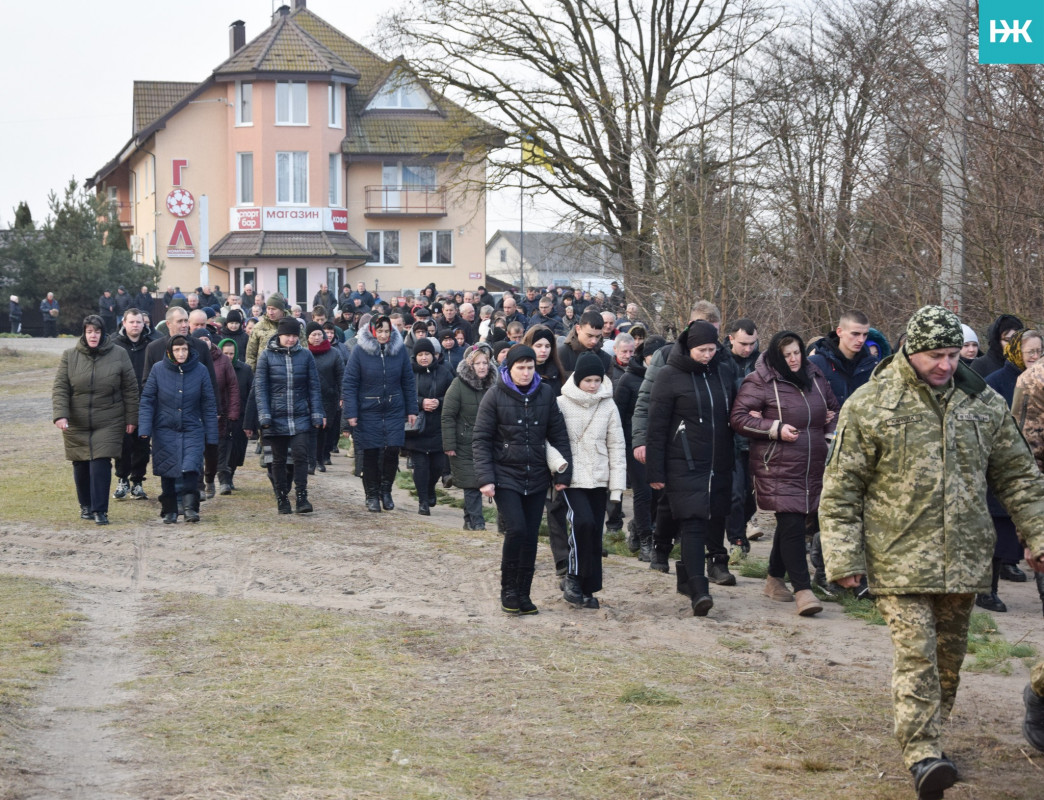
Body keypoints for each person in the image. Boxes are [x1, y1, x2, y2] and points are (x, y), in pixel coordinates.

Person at [819, 305, 1044, 800]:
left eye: (951, 354)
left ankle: (931, 735)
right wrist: (844, 560)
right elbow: (840, 491)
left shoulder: (982, 403)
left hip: (964, 559)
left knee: (947, 662)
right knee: (916, 657)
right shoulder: (872, 403)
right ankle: (922, 755)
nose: (945, 365)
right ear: (910, 350)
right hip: (897, 559)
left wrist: (1039, 535)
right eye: (934, 356)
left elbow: (1019, 477)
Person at [730, 330, 839, 616]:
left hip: (813, 463)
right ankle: (803, 590)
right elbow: (738, 418)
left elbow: (834, 409)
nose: (793, 359)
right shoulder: (760, 381)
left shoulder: (815, 376)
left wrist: (829, 433)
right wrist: (774, 428)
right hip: (777, 463)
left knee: (795, 521)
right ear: (778, 356)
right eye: (787, 354)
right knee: (791, 523)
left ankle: (774, 577)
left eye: (797, 352)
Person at [473, 345, 573, 615]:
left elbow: (558, 434)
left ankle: (523, 593)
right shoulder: (494, 396)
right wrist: (485, 478)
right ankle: (508, 590)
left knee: (530, 535)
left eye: (530, 367)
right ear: (510, 368)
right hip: (505, 475)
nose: (527, 372)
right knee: (516, 529)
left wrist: (564, 472)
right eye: (521, 367)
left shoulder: (546, 394)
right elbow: (481, 439)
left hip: (538, 474)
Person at [645, 321, 736, 616]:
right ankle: (700, 589)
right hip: (682, 462)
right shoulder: (669, 376)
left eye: (712, 349)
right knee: (694, 523)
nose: (708, 355)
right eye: (701, 350)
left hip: (717, 462)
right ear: (689, 348)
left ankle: (686, 577)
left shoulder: (723, 372)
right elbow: (656, 427)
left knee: (712, 519)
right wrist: (655, 472)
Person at [978, 329, 1044, 611]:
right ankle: (987, 590)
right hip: (1009, 463)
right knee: (1000, 532)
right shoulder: (999, 381)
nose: (1034, 356)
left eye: (1038, 351)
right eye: (1029, 351)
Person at [52, 315, 139, 525]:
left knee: (100, 462)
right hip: (77, 421)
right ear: (84, 333)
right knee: (81, 464)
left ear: (103, 333)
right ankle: (86, 506)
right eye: (89, 331)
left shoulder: (119, 354)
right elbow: (61, 387)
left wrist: (131, 418)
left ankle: (100, 510)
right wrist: (60, 414)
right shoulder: (69, 356)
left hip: (109, 419)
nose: (93, 335)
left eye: (97, 331)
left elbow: (130, 388)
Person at [556, 352, 626, 609]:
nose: (594, 385)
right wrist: (558, 468)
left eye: (598, 379)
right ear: (577, 379)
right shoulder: (561, 404)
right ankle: (572, 577)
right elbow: (551, 441)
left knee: (595, 530)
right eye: (588, 380)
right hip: (571, 477)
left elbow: (616, 446)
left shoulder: (608, 405)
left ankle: (588, 587)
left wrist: (617, 488)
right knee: (581, 523)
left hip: (598, 477)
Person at [138, 335, 218, 523]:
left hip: (192, 427)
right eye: (177, 350)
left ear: (189, 350)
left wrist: (212, 435)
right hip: (164, 428)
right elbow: (148, 399)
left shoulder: (201, 371)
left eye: (184, 349)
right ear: (170, 351)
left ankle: (190, 508)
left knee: (191, 468)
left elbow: (208, 404)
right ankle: (170, 510)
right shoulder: (158, 370)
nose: (181, 353)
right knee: (168, 470)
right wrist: (145, 428)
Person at [342, 314, 418, 512]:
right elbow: (350, 383)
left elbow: (408, 381)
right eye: (380, 331)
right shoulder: (359, 352)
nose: (384, 335)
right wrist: (351, 412)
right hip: (368, 409)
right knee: (371, 452)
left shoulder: (399, 351)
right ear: (372, 331)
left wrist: (412, 409)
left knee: (393, 449)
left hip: (394, 408)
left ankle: (386, 490)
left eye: (387, 331)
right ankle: (372, 494)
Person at [615, 335, 666, 560]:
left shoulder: (667, 378)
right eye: (654, 358)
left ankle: (637, 526)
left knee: (659, 493)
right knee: (643, 493)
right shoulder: (628, 381)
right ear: (645, 358)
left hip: (659, 444)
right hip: (633, 444)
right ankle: (647, 539)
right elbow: (617, 414)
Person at [443, 343, 497, 530]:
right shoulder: (458, 385)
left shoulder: (494, 386)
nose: (482, 367)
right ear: (470, 365)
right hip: (464, 442)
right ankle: (477, 522)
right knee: (472, 483)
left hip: (489, 442)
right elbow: (448, 415)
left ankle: (469, 519)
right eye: (478, 363)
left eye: (485, 363)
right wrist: (449, 444)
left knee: (482, 481)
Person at [723, 318, 761, 552]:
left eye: (752, 343)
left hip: (757, 438)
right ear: (731, 339)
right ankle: (737, 540)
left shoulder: (762, 363)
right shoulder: (722, 362)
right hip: (730, 438)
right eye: (743, 344)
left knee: (751, 496)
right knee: (735, 494)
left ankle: (743, 524)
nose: (748, 349)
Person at [408, 338, 454, 514]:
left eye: (427, 354)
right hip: (416, 428)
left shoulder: (444, 372)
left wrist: (439, 402)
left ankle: (430, 489)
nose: (424, 358)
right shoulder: (409, 373)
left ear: (433, 355)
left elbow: (452, 395)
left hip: (438, 427)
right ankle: (423, 501)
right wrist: (421, 402)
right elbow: (403, 394)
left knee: (436, 466)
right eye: (420, 354)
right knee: (420, 465)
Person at [112, 308, 154, 500]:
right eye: (132, 322)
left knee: (142, 445)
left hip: (146, 402)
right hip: (121, 404)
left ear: (144, 323)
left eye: (138, 322)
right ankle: (122, 479)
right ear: (124, 323)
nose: (135, 325)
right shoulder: (113, 345)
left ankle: (137, 481)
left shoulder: (151, 345)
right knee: (123, 445)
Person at [305, 322, 344, 473]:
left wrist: (342, 395)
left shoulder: (333, 353)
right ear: (307, 337)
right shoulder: (303, 352)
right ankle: (310, 461)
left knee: (323, 430)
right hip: (308, 397)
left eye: (319, 334)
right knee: (309, 430)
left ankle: (320, 458)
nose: (317, 338)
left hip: (329, 397)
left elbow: (341, 375)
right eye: (313, 335)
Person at [217, 338, 252, 494]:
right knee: (222, 449)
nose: (229, 356)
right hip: (220, 416)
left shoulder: (245, 370)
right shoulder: (214, 368)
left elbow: (251, 394)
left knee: (237, 450)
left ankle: (230, 475)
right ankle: (223, 479)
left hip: (240, 416)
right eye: (225, 353)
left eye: (231, 353)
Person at [245, 293, 287, 370]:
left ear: (282, 310)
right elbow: (251, 355)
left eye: (273, 309)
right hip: (264, 371)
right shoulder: (259, 327)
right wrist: (251, 375)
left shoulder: (293, 325)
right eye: (268, 308)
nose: (270, 312)